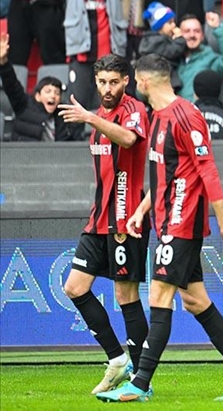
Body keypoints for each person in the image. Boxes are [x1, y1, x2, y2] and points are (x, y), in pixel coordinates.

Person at [96, 54, 223, 402]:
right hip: (164, 218)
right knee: (195, 299)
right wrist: (142, 210)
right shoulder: (157, 117)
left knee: (159, 296)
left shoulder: (186, 116)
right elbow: (164, 176)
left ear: (141, 82)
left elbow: (208, 172)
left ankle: (139, 384)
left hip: (182, 221)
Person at [56, 54, 149, 395]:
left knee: (126, 295)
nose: (108, 89)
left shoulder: (133, 110)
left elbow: (128, 140)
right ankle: (117, 359)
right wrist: (93, 118)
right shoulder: (99, 116)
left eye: (114, 82)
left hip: (127, 217)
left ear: (126, 81)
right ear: (95, 82)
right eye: (102, 82)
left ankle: (141, 379)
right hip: (98, 218)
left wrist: (89, 118)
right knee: (74, 288)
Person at [0, 33, 75, 141]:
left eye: (57, 93)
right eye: (48, 91)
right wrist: (3, 63)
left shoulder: (64, 117)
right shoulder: (24, 105)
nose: (53, 95)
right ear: (38, 96)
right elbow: (12, 85)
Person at [176, 12, 223, 102]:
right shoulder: (171, 58)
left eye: (197, 31)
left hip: (199, 113)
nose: (192, 35)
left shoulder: (210, 59)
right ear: (178, 34)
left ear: (202, 36)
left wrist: (218, 27)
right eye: (187, 31)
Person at [139, 1, 186, 89]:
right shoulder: (157, 41)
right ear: (159, 27)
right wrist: (180, 39)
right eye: (170, 23)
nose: (174, 25)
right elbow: (172, 52)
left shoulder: (153, 39)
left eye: (174, 22)